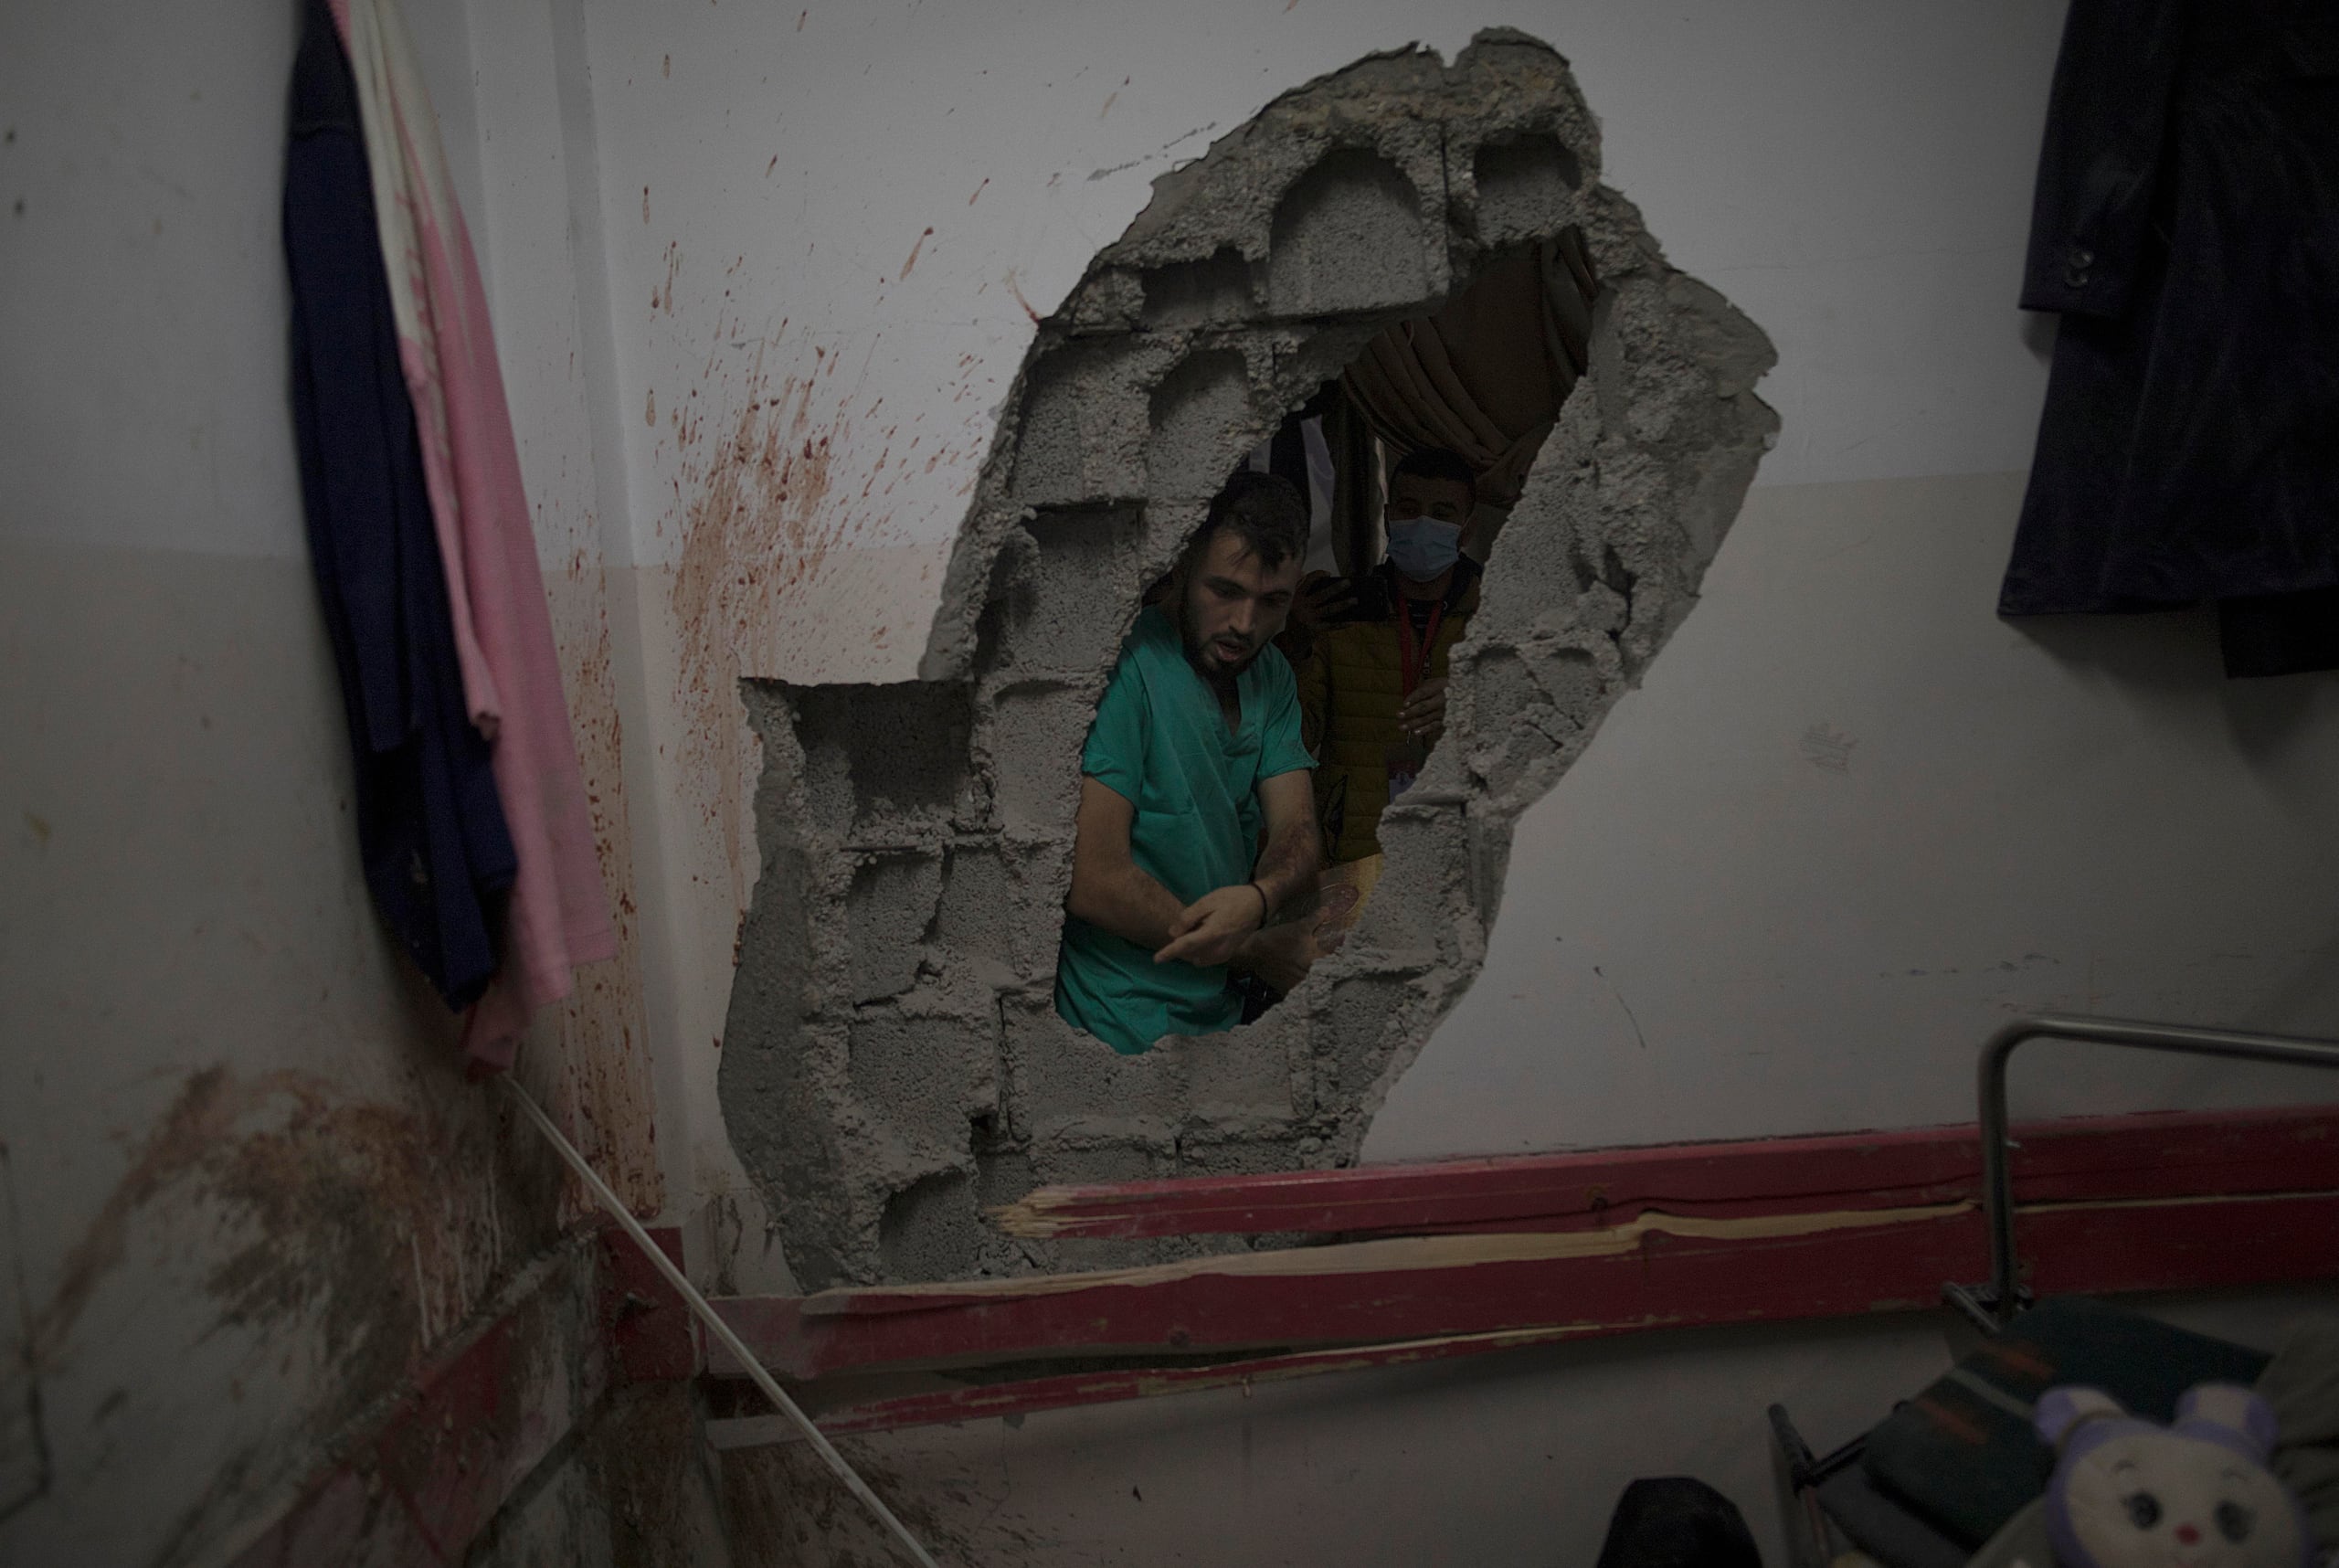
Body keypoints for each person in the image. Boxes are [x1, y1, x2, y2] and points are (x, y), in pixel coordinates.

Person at [1054, 472, 1326, 1054]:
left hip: (1221, 1016)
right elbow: (1094, 881)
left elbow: (1298, 828)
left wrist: (1258, 901)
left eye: (1272, 601)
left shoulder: (1270, 673)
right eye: (1224, 591)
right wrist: (1251, 945)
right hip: (1115, 1028)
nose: (1245, 625)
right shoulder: (1126, 665)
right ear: (1180, 568)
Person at [1293, 447, 1483, 863]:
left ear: (1466, 531)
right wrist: (1292, 639)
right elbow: (1291, 739)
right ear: (1387, 517)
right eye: (1410, 509)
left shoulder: (1496, 621)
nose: (1423, 523)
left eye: (1442, 513)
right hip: (1355, 852)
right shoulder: (1341, 617)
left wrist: (1475, 693)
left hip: (1464, 847)